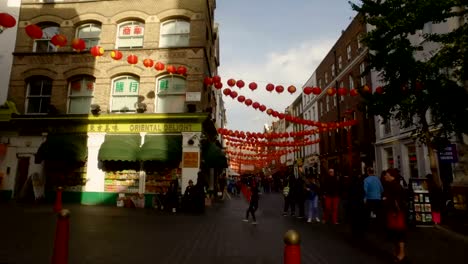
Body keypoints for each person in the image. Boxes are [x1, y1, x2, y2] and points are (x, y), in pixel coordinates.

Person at [383, 168, 408, 263]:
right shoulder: (390, 185)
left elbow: (397, 201)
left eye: (386, 174)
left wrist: (395, 211)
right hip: (392, 212)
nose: (385, 176)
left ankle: (401, 253)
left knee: (399, 233)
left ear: (391, 176)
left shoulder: (395, 186)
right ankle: (397, 252)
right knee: (394, 233)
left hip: (396, 214)